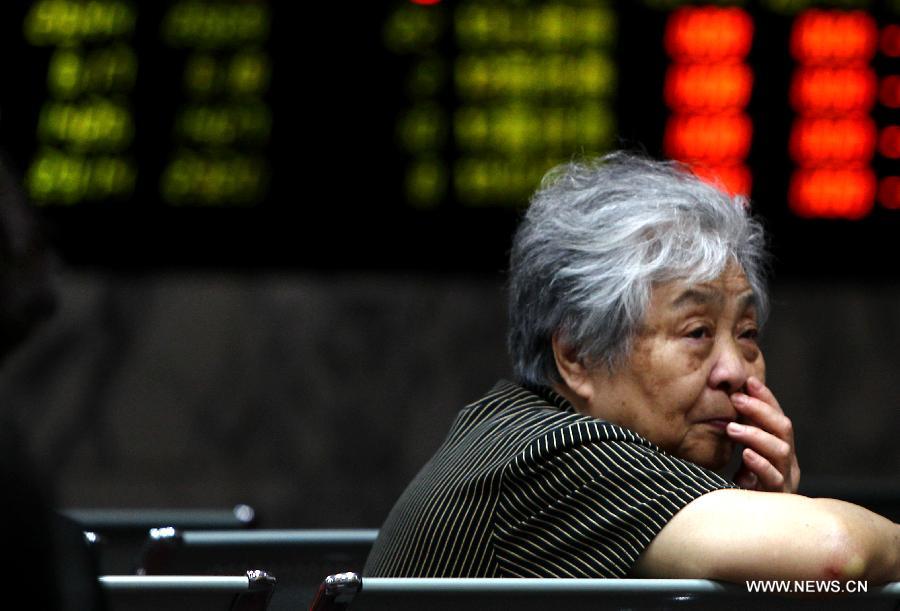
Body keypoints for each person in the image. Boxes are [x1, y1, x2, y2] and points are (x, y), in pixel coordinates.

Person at [364, 152, 900, 582]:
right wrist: (790, 533)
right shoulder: (554, 457)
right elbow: (839, 556)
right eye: (696, 333)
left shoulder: (518, 428)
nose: (737, 371)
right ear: (577, 355)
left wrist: (768, 529)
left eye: (747, 334)